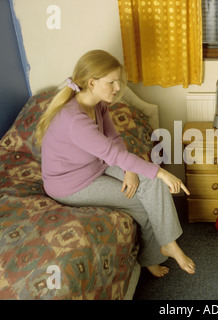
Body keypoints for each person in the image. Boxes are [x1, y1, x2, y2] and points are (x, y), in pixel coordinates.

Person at [35, 50, 195, 277]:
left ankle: (167, 244)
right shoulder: (74, 120)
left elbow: (115, 140)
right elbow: (113, 153)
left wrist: (132, 170)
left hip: (95, 164)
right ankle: (156, 254)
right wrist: (161, 172)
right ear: (92, 83)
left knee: (152, 183)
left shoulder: (98, 103)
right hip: (70, 183)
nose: (118, 88)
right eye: (112, 82)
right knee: (143, 201)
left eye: (118, 82)